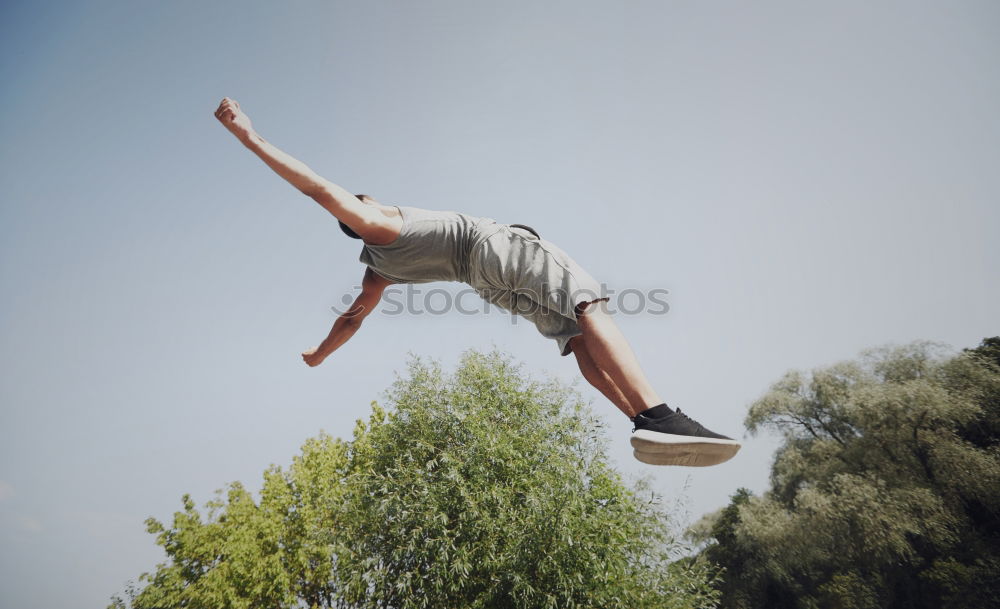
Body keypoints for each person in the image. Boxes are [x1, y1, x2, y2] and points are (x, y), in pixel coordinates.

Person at [214, 97, 740, 467]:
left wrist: (321, 354)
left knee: (576, 339)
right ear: (361, 212)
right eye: (363, 203)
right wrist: (249, 136)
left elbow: (353, 317)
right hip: (496, 251)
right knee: (589, 306)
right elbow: (321, 190)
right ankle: (660, 414)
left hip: (487, 285)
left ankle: (641, 423)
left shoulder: (377, 268)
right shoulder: (379, 222)